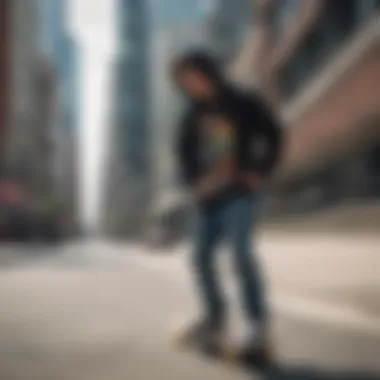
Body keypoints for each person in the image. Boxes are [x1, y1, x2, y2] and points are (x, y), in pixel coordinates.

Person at [171, 50, 283, 362]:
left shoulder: (243, 101)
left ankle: (257, 326)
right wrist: (195, 184)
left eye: (194, 77)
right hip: (209, 199)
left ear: (209, 73)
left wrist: (260, 171)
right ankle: (214, 320)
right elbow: (182, 158)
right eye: (184, 81)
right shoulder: (190, 116)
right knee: (200, 257)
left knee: (240, 251)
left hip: (241, 191)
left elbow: (273, 134)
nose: (191, 85)